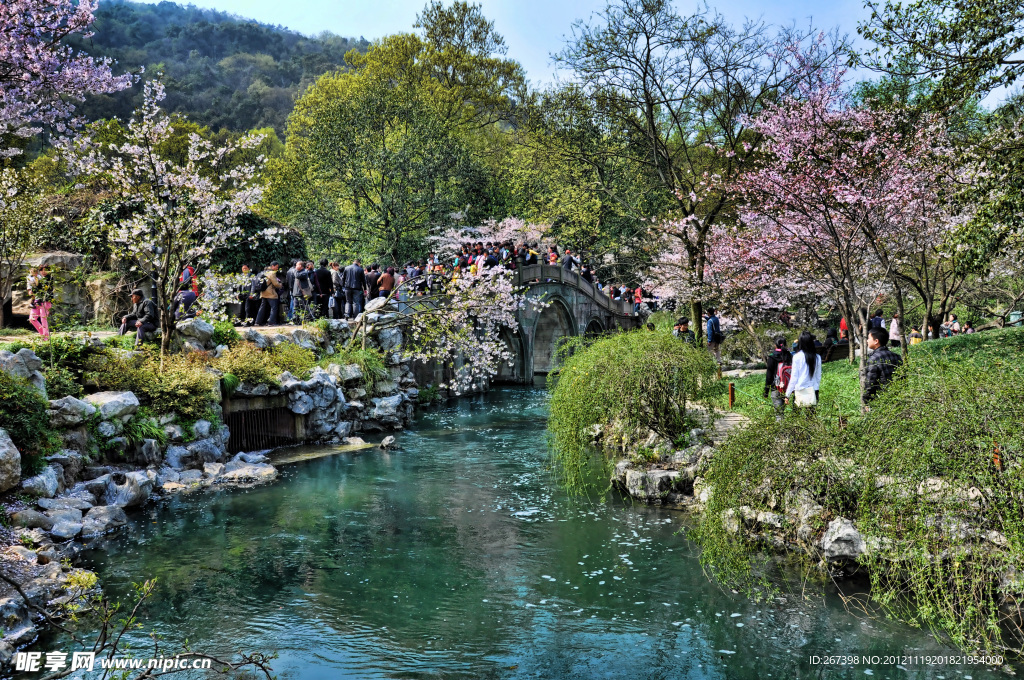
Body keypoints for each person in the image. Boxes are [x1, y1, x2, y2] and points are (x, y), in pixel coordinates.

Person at [864, 326, 902, 406]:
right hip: (899, 397)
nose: (867, 340)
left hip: (882, 400)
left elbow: (870, 384)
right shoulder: (897, 356)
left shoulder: (873, 359)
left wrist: (866, 401)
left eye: (868, 338)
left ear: (876, 341)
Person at [785, 331, 821, 411]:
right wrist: (815, 387)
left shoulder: (797, 357)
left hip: (800, 390)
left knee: (796, 418)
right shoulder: (817, 357)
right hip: (813, 390)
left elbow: (794, 378)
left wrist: (787, 394)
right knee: (812, 419)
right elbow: (818, 377)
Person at [764, 336, 793, 421]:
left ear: (775, 345)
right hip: (787, 387)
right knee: (782, 411)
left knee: (779, 414)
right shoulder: (789, 355)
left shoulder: (772, 357)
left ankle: (782, 433)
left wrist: (766, 390)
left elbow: (769, 375)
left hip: (776, 387)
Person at [28, 266, 54, 340]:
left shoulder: (49, 278)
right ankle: (44, 335)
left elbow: (41, 288)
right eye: (41, 270)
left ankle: (45, 338)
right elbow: (33, 290)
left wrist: (36, 284)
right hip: (37, 301)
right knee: (32, 319)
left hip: (46, 301)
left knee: (43, 319)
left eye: (45, 270)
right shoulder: (38, 278)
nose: (43, 272)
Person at [254, 261, 282, 326]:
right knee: (274, 307)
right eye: (276, 267)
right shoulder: (272, 273)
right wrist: (280, 285)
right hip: (270, 293)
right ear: (273, 266)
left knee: (262, 308)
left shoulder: (264, 272)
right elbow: (275, 283)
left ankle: (257, 322)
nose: (277, 268)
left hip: (263, 293)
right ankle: (271, 322)